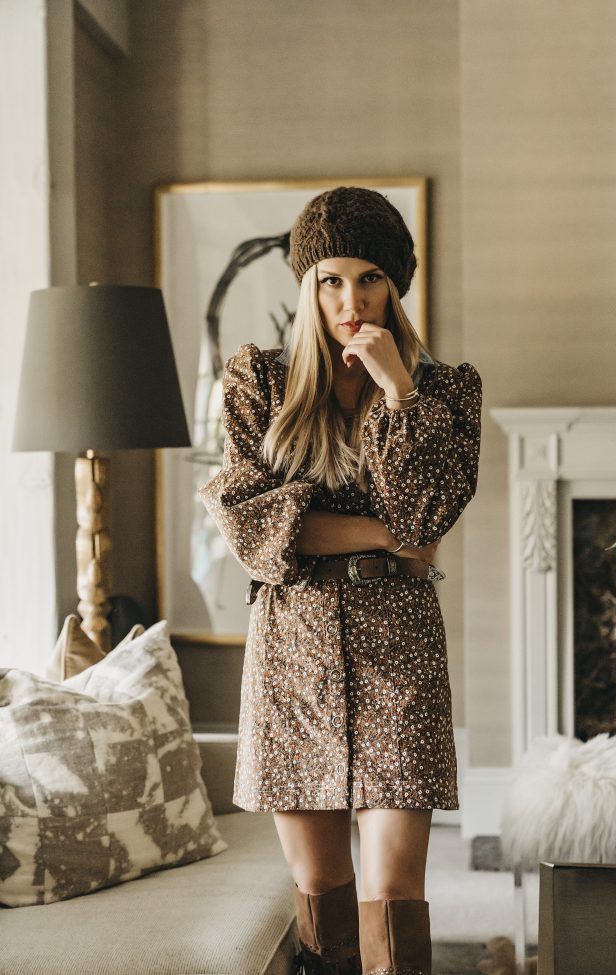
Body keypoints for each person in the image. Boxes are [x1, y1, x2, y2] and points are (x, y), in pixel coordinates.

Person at [199, 186, 482, 975]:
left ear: (396, 284)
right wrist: (385, 534)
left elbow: (427, 512)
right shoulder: (259, 383)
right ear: (306, 284)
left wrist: (399, 390)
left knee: (394, 890)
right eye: (330, 279)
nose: (350, 300)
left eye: (369, 279)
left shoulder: (446, 390)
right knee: (320, 887)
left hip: (402, 656)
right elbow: (253, 528)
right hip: (292, 656)